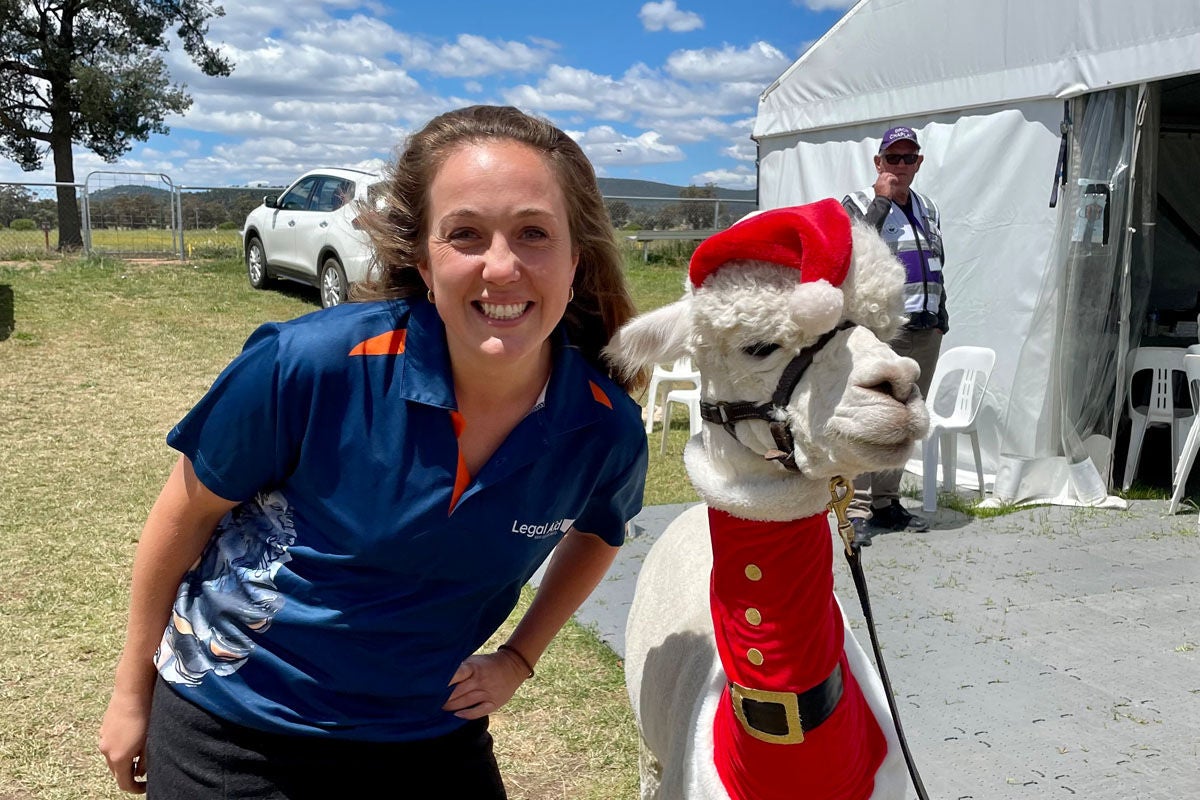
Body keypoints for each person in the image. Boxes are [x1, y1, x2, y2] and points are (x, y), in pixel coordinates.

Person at [98, 104, 650, 799]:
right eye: (466, 235)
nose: (502, 267)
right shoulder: (312, 365)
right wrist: (130, 692)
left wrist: (519, 657)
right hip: (233, 733)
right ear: (423, 257)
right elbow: (182, 517)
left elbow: (601, 532)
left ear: (577, 258)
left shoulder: (603, 429)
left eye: (534, 233)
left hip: (426, 737)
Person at [842, 125, 947, 539]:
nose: (900, 166)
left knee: (905, 419)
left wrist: (942, 315)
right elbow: (856, 247)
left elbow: (937, 262)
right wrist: (883, 202)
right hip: (882, 328)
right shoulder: (858, 203)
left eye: (909, 158)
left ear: (919, 162)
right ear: (878, 162)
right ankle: (857, 506)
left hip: (924, 328)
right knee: (872, 416)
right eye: (893, 158)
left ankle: (887, 502)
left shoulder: (928, 208)